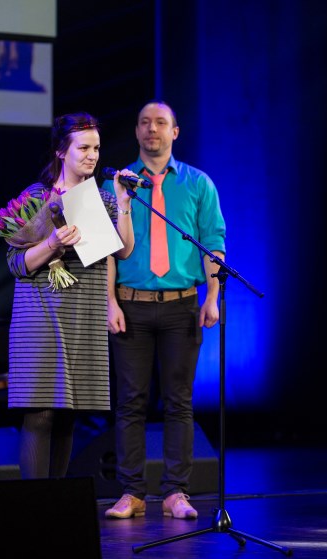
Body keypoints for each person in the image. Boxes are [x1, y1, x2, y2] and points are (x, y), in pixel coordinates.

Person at [101, 100, 226, 519]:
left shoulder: (198, 183)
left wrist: (212, 297)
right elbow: (106, 251)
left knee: (179, 402)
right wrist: (110, 302)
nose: (151, 129)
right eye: (144, 122)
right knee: (130, 403)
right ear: (136, 132)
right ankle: (132, 493)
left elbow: (213, 243)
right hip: (131, 306)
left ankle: (176, 492)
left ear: (175, 132)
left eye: (160, 122)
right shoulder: (118, 183)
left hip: (181, 306)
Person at [3, 112, 135, 479]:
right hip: (41, 313)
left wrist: (124, 202)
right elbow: (16, 263)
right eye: (84, 148)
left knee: (66, 414)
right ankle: (34, 505)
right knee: (41, 412)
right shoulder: (36, 196)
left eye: (97, 148)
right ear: (62, 151)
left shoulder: (103, 200)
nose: (92, 155)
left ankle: (56, 503)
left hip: (83, 313)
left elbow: (124, 250)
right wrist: (51, 243)